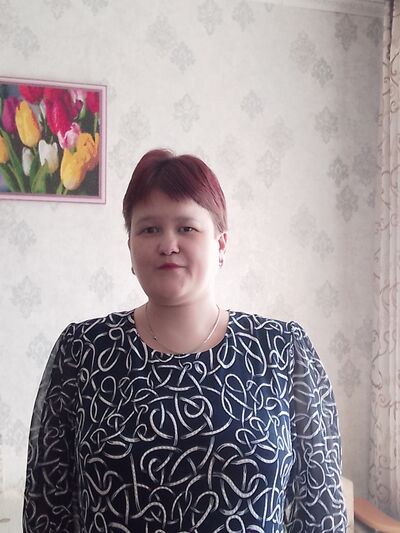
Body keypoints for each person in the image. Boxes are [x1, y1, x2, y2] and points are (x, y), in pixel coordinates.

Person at [23, 148, 347, 532]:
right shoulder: (83, 350)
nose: (168, 244)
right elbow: (47, 507)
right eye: (149, 229)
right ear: (130, 247)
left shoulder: (282, 350)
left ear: (221, 244)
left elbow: (321, 509)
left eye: (187, 228)